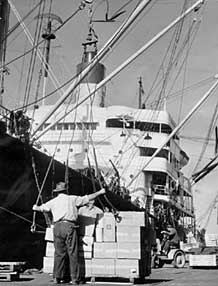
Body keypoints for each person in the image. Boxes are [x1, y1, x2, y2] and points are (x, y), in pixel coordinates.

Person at [32, 181, 106, 285]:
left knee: (59, 253)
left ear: (57, 192)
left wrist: (35, 207)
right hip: (69, 227)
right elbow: (87, 198)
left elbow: (41, 208)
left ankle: (57, 277)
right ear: (66, 190)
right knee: (72, 253)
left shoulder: (53, 201)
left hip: (57, 227)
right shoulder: (72, 199)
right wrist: (100, 192)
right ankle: (75, 279)